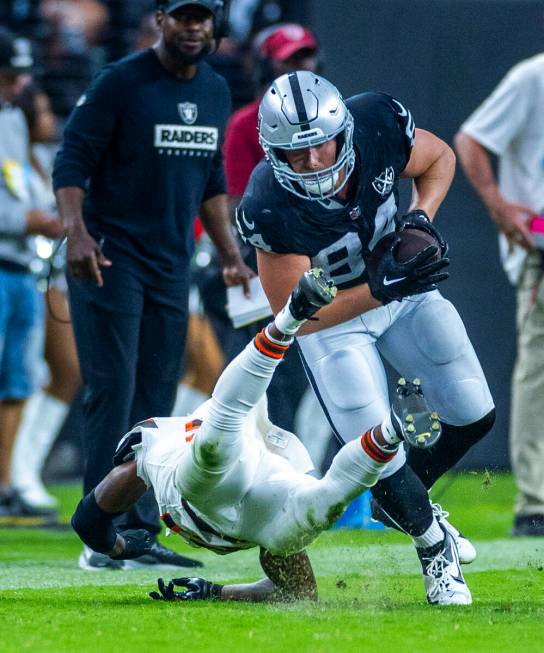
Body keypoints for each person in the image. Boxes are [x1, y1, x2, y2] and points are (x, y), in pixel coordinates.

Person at [237, 71, 496, 600]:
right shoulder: (266, 202)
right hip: (334, 322)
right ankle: (433, 548)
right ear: (270, 152)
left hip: (402, 293)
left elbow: (440, 158)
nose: (311, 162)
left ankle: (402, 499)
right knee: (375, 447)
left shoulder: (376, 122)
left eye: (319, 145)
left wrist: (420, 216)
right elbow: (295, 317)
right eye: (293, 153)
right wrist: (381, 288)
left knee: (474, 410)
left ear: (344, 131)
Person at [71, 269, 471, 605]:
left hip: (207, 475)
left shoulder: (155, 451)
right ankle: (392, 430)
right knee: (318, 506)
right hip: (260, 491)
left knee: (216, 449)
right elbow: (297, 595)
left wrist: (117, 546)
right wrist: (215, 591)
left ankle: (291, 318)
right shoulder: (273, 534)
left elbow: (89, 520)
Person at [52, 0, 253, 570]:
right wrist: (77, 235)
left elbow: (212, 176)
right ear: (160, 20)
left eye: (203, 18)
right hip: (111, 260)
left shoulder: (215, 88)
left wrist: (229, 253)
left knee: (156, 399)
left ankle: (138, 533)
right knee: (112, 388)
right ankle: (99, 535)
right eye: (182, 17)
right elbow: (71, 161)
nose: (194, 28)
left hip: (172, 264)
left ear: (215, 24)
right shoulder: (121, 83)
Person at [454, 54, 544, 537]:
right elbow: (470, 139)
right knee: (539, 372)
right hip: (541, 245)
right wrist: (499, 206)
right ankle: (536, 502)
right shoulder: (533, 76)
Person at [0, 29, 64, 522]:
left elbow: (14, 188)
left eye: (20, 75)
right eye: (8, 74)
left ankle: (5, 486)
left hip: (21, 268)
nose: (16, 84)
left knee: (19, 380)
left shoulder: (11, 122)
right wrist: (35, 220)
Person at [10, 83, 80, 511]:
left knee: (65, 371)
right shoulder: (14, 157)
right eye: (41, 112)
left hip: (49, 279)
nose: (50, 119)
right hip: (22, 275)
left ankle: (24, 468)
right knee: (28, 374)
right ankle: (16, 475)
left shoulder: (43, 161)